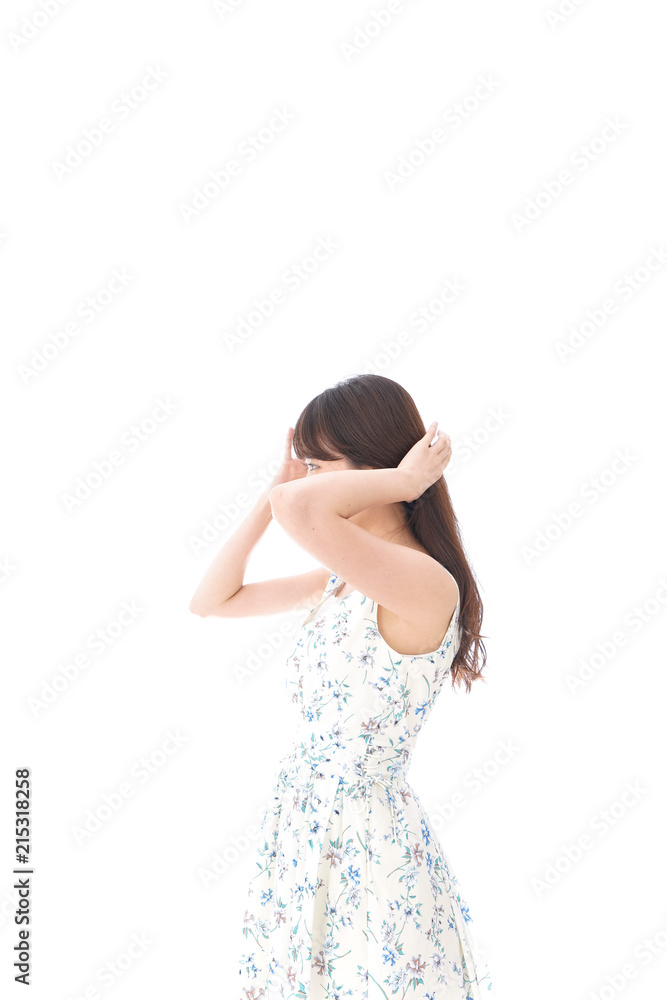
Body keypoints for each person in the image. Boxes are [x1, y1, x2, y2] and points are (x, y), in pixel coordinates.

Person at [190, 374, 493, 998]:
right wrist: (272, 494)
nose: (305, 484)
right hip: (305, 830)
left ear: (376, 464)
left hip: (366, 843)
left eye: (319, 467)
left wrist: (406, 482)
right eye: (304, 469)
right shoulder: (339, 580)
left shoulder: (424, 582)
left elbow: (299, 511)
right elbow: (211, 600)